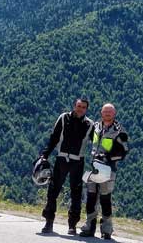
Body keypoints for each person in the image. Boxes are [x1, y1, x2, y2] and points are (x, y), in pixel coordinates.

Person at [40, 98, 94, 235]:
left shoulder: (90, 124)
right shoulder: (63, 118)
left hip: (78, 161)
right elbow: (54, 137)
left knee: (76, 193)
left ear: (86, 109)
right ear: (74, 106)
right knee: (53, 190)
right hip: (62, 158)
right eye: (78, 106)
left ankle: (72, 225)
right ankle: (49, 222)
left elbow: (96, 144)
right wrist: (45, 155)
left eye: (83, 107)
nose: (80, 109)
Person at [80, 103, 129, 240]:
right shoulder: (96, 126)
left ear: (114, 114)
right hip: (93, 167)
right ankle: (89, 227)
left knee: (105, 199)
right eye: (105, 111)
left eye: (110, 112)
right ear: (101, 113)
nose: (107, 114)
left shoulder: (119, 131)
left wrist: (108, 157)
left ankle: (107, 230)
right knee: (90, 198)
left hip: (108, 169)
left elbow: (124, 152)